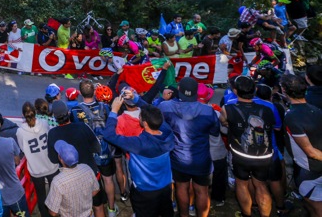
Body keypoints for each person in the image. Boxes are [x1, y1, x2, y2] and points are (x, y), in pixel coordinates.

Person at [102, 102, 175, 217]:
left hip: (144, 192)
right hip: (166, 188)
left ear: (145, 123)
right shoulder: (169, 136)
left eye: (140, 116)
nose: (138, 117)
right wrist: (136, 99)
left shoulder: (138, 143)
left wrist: (114, 111)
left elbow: (108, 135)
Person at [160, 78, 220, 217]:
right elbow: (215, 132)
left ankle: (184, 215)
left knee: (181, 187)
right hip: (202, 158)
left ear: (179, 90)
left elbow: (160, 126)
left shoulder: (165, 106)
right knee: (202, 191)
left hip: (179, 158)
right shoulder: (208, 110)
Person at [221, 75, 276, 217]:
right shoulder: (268, 109)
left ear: (235, 90)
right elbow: (274, 127)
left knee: (242, 184)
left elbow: (224, 122)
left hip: (240, 155)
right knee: (261, 186)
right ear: (255, 89)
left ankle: (247, 213)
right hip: (264, 155)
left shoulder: (227, 108)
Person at [72, 79, 120, 217]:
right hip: (104, 149)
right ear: (95, 91)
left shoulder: (75, 110)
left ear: (80, 93)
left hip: (87, 153)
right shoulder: (105, 107)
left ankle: (92, 210)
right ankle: (111, 210)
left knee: (89, 183)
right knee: (108, 180)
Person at [281, 74, 322, 215]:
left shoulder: (292, 116)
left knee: (314, 204)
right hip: (312, 167)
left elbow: (310, 151)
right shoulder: (316, 110)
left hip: (310, 168)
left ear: (284, 90)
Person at [16, 102, 59, 217]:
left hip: (36, 169)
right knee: (56, 194)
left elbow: (22, 149)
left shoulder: (20, 132)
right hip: (51, 165)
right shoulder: (44, 123)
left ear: (23, 114)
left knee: (41, 196)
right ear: (35, 112)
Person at [45, 140, 100, 217]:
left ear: (60, 159)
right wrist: (83, 199)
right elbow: (96, 189)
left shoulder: (58, 181)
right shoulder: (87, 168)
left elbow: (53, 212)